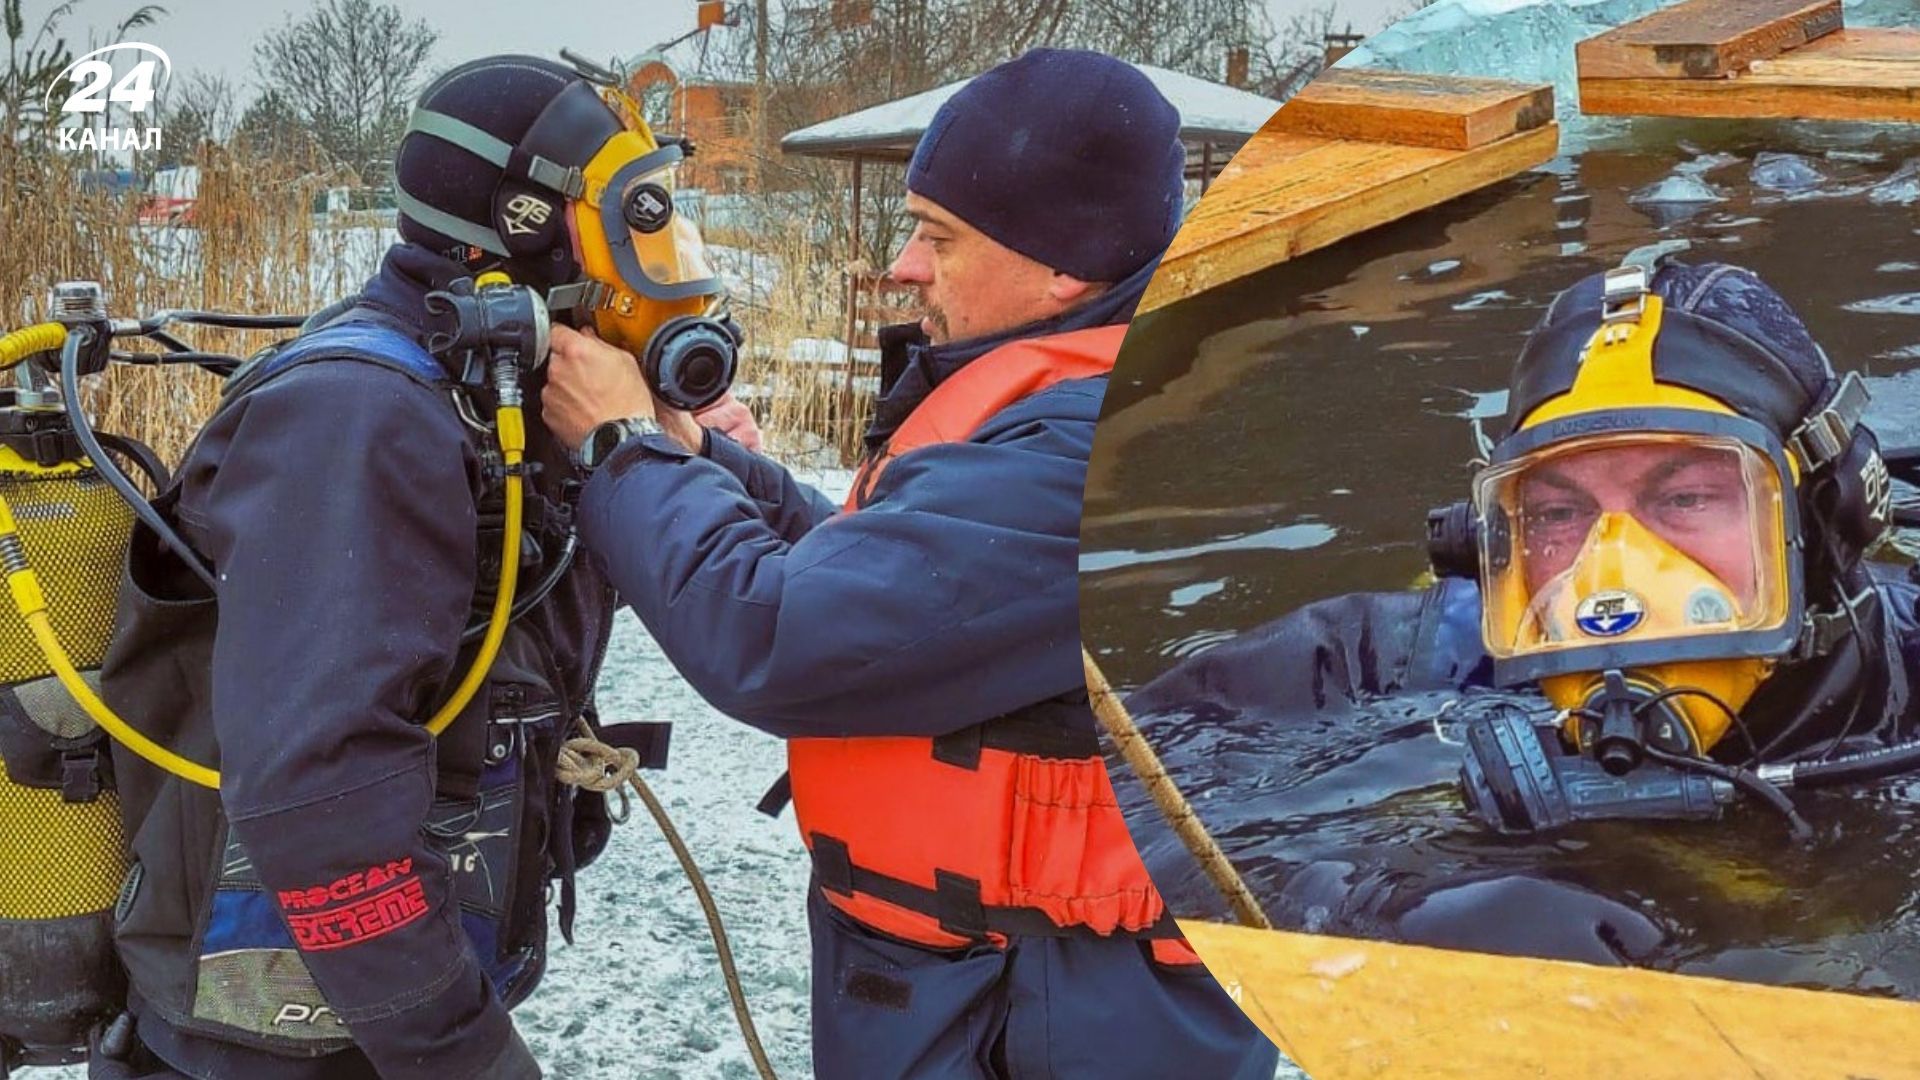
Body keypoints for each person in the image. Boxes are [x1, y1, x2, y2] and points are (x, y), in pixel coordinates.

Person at [540, 48, 1278, 1079]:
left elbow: (782, 638)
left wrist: (623, 450)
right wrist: (706, 461)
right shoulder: (1106, 385)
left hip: (1046, 1011)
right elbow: (890, 570)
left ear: (1065, 263)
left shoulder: (1098, 452)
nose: (903, 265)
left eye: (939, 236)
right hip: (1005, 983)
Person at [91, 54, 741, 1078]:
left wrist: (660, 453)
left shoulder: (500, 391)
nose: (662, 253)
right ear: (527, 223)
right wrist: (466, 1059)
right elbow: (321, 791)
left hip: (379, 1010)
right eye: (638, 216)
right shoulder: (361, 415)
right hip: (277, 1025)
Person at [1122, 251, 1919, 965]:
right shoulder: (1403, 659)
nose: (1613, 576)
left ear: (1827, 517)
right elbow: (1097, 803)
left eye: (1684, 495)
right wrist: (1376, 910)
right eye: (1557, 513)